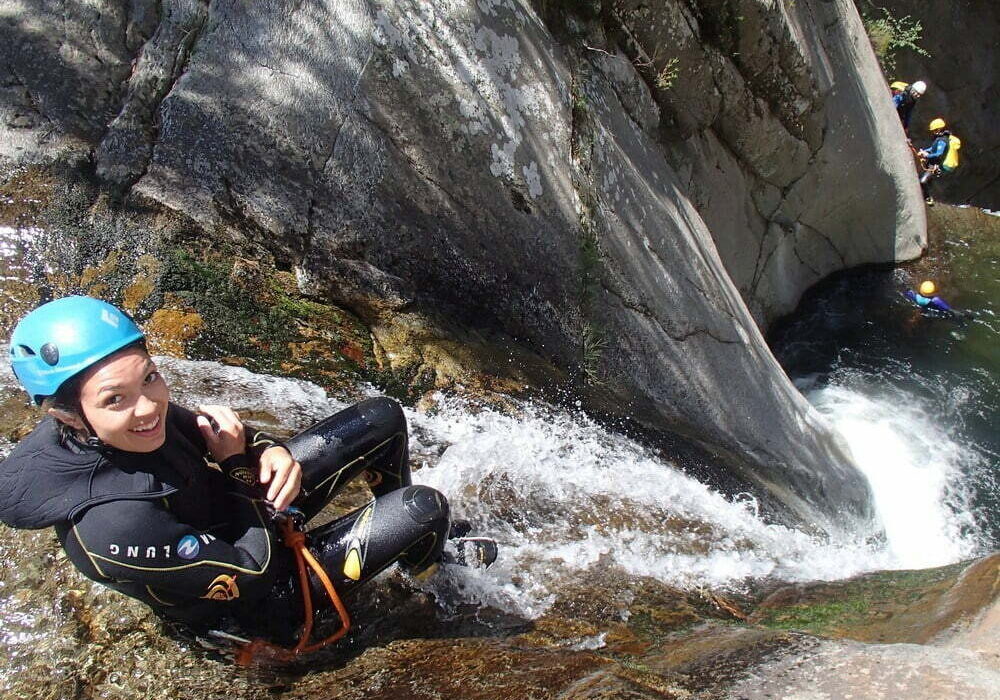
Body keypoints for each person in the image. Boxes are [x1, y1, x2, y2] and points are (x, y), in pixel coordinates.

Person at [0, 296, 496, 653]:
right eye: (116, 399)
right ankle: (434, 578)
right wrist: (239, 468)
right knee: (422, 508)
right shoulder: (113, 525)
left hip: (245, 516)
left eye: (150, 376)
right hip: (258, 599)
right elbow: (254, 571)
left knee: (381, 418)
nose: (149, 407)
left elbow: (216, 437)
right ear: (66, 416)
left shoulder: (128, 423)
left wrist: (267, 449)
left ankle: (413, 554)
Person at [917, 118, 960, 204]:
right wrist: (925, 151)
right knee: (928, 179)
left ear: (939, 129)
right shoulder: (944, 138)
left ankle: (928, 198)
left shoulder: (942, 141)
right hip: (936, 163)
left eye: (934, 130)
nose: (933, 132)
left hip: (937, 165)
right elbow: (933, 148)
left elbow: (939, 154)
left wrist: (927, 155)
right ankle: (926, 195)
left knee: (923, 181)